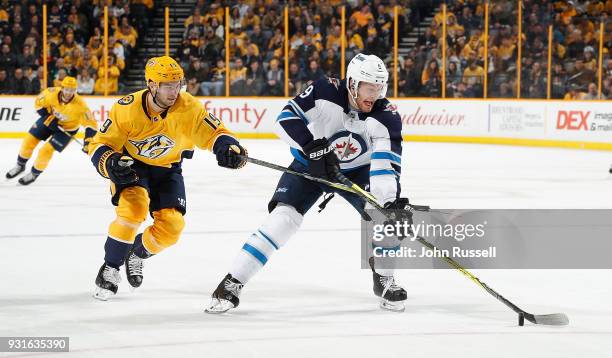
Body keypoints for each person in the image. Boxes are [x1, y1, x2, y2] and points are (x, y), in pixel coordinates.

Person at [206, 53, 408, 313]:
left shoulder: (386, 115)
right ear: (353, 84)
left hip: (358, 172)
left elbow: (384, 164)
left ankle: (384, 278)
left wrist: (388, 201)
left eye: (380, 88)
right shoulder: (325, 90)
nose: (375, 94)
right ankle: (232, 281)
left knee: (389, 218)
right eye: (370, 87)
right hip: (312, 164)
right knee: (283, 219)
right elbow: (285, 119)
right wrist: (312, 147)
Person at [88, 56, 247, 301]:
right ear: (152, 85)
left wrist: (227, 147)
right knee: (133, 210)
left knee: (172, 228)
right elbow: (100, 144)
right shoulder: (126, 108)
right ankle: (110, 268)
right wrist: (109, 162)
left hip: (168, 169)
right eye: (168, 85)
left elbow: (215, 132)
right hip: (134, 166)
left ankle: (137, 253)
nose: (175, 91)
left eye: (178, 84)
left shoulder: (188, 106)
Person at [5, 76, 96, 185]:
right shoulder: (50, 93)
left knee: (46, 150)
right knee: (29, 140)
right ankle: (20, 165)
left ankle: (34, 173)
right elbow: (38, 103)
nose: (68, 93)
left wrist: (88, 142)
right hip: (50, 120)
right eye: (66, 89)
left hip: (67, 130)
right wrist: (47, 116)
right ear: (62, 88)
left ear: (75, 91)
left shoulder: (81, 105)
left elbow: (91, 124)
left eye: (71, 90)